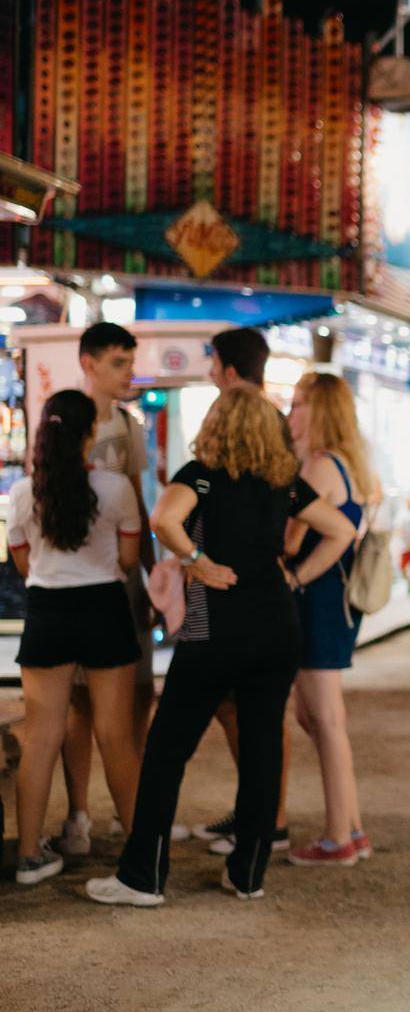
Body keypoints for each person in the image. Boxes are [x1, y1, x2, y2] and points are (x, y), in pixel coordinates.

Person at [86, 388, 356, 906]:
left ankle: (142, 876)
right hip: (278, 626)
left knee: (167, 751)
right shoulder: (285, 482)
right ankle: (248, 874)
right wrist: (297, 578)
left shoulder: (201, 472)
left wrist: (197, 560)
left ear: (217, 424)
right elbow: (343, 530)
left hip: (216, 627)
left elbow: (165, 519)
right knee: (261, 749)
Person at [9, 390, 142, 884]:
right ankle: (137, 846)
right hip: (104, 608)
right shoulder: (116, 490)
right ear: (90, 434)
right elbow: (129, 562)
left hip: (47, 611)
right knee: (115, 734)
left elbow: (23, 564)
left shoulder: (25, 493)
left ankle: (29, 856)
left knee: (42, 736)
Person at [188, 328, 293, 853]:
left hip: (236, 601)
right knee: (257, 723)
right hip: (266, 602)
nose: (209, 373)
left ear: (229, 371)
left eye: (212, 364)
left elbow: (281, 508)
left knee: (252, 725)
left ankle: (265, 824)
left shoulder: (247, 427)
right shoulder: (277, 423)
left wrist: (195, 560)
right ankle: (256, 828)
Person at [56, 322, 159, 855]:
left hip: (123, 584)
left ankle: (128, 812)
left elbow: (141, 509)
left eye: (129, 361)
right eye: (118, 362)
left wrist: (151, 577)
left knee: (136, 697)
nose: (128, 373)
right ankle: (79, 815)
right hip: (79, 587)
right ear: (89, 363)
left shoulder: (130, 425)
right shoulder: (64, 421)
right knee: (78, 704)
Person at [283, 371, 380, 866]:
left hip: (316, 600)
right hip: (339, 602)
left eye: (298, 403)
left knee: (323, 718)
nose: (290, 411)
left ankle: (338, 836)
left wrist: (296, 578)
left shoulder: (319, 467)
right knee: (322, 717)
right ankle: (352, 828)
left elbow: (291, 541)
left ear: (318, 411)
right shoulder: (353, 466)